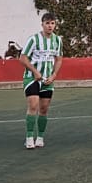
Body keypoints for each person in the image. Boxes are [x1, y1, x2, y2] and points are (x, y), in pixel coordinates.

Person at [20, 14, 61, 149]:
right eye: (47, 23)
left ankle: (40, 137)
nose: (50, 26)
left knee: (44, 109)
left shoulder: (57, 41)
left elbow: (59, 59)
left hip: (47, 80)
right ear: (42, 24)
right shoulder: (34, 39)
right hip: (32, 78)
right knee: (33, 105)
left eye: (52, 23)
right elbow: (23, 58)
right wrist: (35, 71)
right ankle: (29, 137)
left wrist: (54, 74)